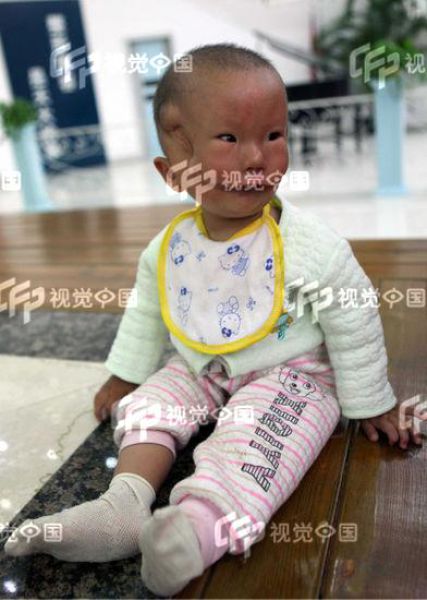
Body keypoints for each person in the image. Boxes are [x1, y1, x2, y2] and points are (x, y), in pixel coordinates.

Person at [5, 43, 426, 597]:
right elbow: (148, 307)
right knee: (153, 402)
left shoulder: (309, 245)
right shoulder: (168, 247)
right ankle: (123, 503)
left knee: (259, 439)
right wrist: (127, 374)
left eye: (273, 135)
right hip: (205, 363)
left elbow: (353, 315)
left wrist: (370, 401)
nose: (257, 158)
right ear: (172, 173)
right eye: (229, 138)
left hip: (294, 373)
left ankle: (200, 528)